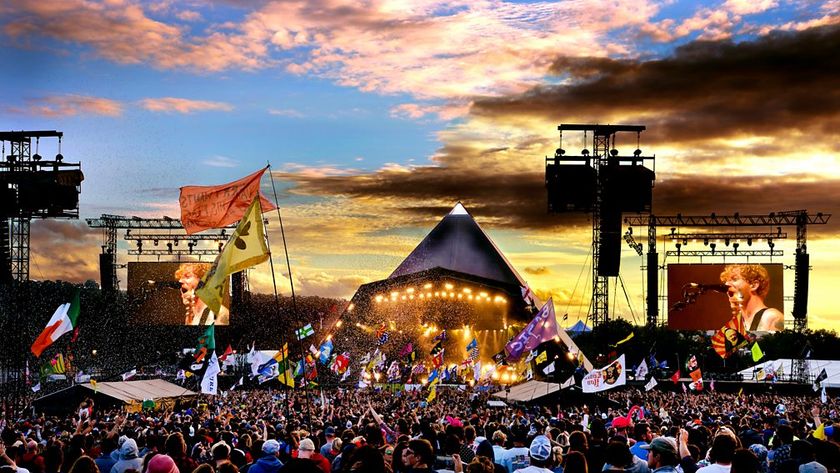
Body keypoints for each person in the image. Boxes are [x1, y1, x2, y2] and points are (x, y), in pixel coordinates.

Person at [720, 264, 783, 332]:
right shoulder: (736, 324)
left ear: (754, 285)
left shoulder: (772, 318)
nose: (726, 284)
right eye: (726, 281)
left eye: (734, 279)